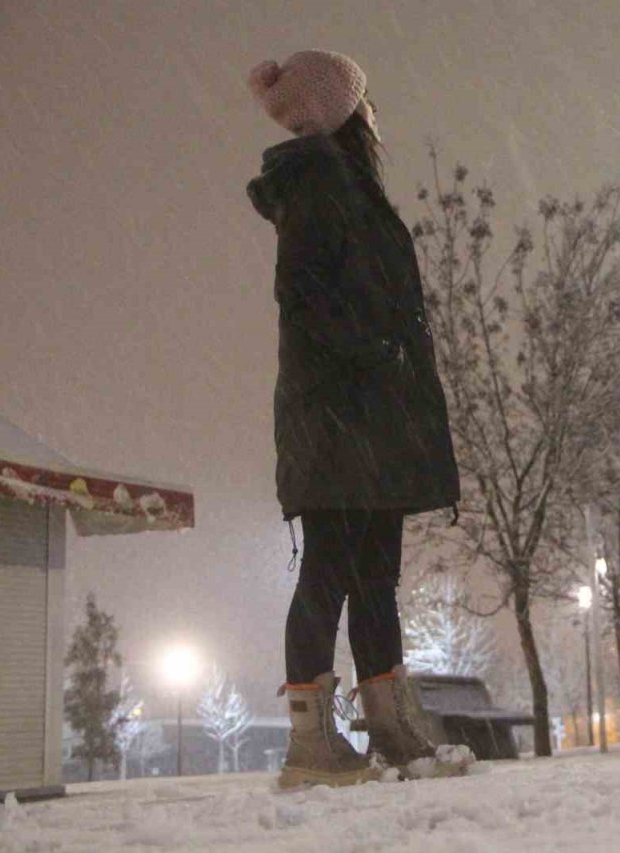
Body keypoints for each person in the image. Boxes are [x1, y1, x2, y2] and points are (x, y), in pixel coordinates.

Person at [246, 50, 462, 788]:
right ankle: (311, 747)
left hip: (366, 419)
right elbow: (305, 299)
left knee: (373, 577)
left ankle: (394, 729)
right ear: (343, 114)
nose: (373, 114)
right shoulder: (321, 187)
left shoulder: (344, 188)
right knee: (332, 572)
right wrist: (381, 354)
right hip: (342, 418)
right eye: (363, 102)